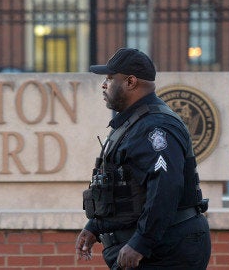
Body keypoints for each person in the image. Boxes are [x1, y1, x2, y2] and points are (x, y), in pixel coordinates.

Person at [75, 48, 211, 269]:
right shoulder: (133, 123)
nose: (104, 85)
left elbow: (165, 188)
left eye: (110, 78)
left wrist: (141, 243)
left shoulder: (156, 126)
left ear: (130, 82)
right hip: (150, 248)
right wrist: (96, 226)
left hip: (167, 251)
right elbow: (127, 188)